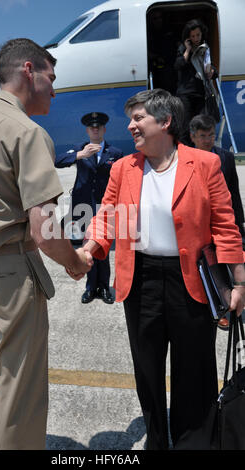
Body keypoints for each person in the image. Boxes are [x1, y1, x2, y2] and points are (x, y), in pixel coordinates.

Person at [0, 38, 92, 450]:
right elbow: (44, 229)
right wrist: (76, 261)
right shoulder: (26, 132)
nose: (54, 87)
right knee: (22, 387)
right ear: (30, 70)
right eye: (51, 76)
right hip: (11, 276)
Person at [81, 89, 245, 450]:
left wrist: (239, 281)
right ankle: (157, 440)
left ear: (165, 122)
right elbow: (107, 216)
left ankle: (195, 441)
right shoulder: (123, 168)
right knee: (148, 369)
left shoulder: (205, 164)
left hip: (191, 278)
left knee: (195, 369)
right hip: (140, 281)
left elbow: (225, 225)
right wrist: (90, 249)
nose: (131, 126)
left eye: (138, 118)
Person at [55, 112, 123, 304]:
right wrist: (80, 155)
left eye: (99, 127)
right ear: (87, 130)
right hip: (83, 205)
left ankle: (104, 287)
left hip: (104, 207)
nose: (95, 130)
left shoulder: (115, 153)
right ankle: (90, 288)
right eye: (92, 128)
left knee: (102, 247)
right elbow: (57, 161)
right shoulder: (79, 149)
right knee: (87, 247)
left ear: (104, 130)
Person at [189, 113, 245, 329]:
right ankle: (217, 309)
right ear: (193, 137)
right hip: (199, 226)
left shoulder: (226, 157)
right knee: (207, 269)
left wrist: (239, 225)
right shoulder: (184, 159)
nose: (208, 139)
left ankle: (230, 303)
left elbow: (234, 193)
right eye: (203, 136)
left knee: (229, 265)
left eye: (211, 135)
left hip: (223, 222)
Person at [174, 19, 218, 145]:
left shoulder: (205, 49)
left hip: (201, 93)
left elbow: (213, 69)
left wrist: (212, 72)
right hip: (186, 94)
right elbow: (178, 65)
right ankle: (186, 152)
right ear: (188, 37)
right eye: (192, 36)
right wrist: (187, 50)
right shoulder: (183, 48)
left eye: (198, 35)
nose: (196, 38)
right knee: (185, 126)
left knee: (202, 123)